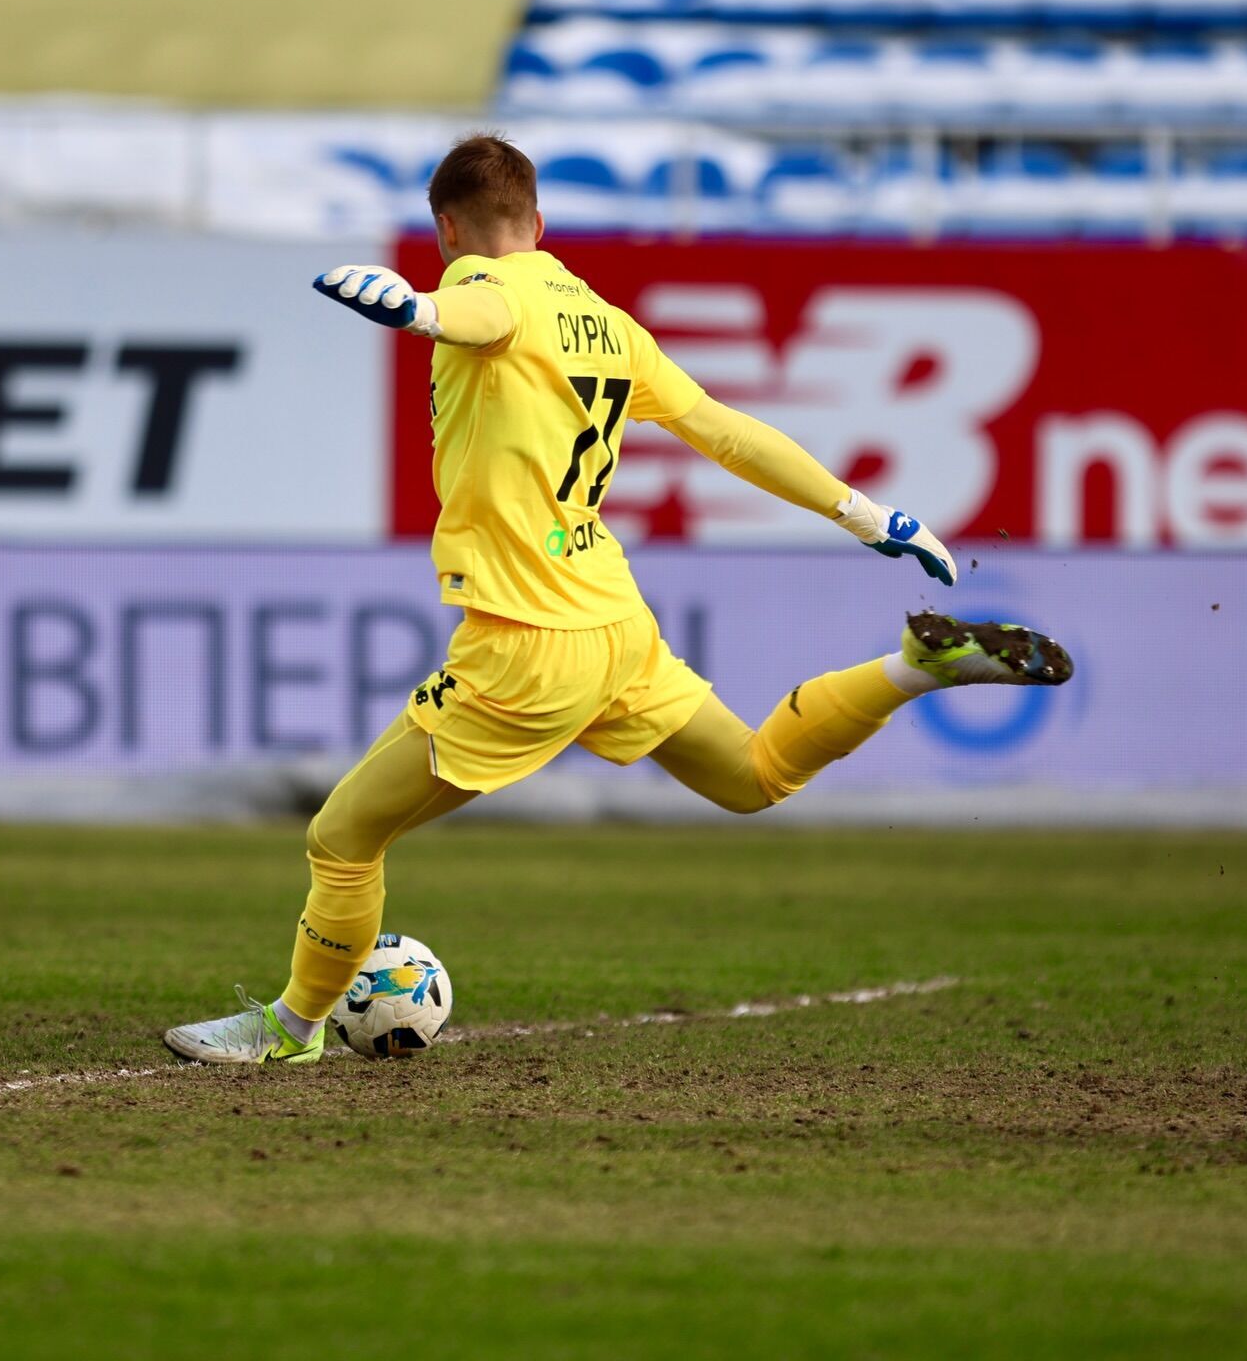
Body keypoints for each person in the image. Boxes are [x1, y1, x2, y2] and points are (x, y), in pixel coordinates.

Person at [165, 134, 1072, 1065]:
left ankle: (292, 1030)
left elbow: (472, 314)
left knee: (343, 835)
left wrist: (415, 309)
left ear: (448, 228)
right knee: (754, 776)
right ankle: (913, 669)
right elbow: (726, 432)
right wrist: (866, 513)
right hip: (615, 626)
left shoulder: (489, 290)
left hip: (527, 642)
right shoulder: (607, 322)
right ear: (540, 220)